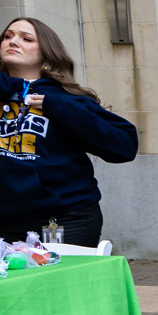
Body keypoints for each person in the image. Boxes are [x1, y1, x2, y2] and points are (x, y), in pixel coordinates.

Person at [0, 17, 138, 247]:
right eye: (7, 36)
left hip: (63, 219)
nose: (13, 41)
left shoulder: (65, 99)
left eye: (26, 38)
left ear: (47, 53)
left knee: (58, 284)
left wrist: (57, 107)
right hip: (5, 221)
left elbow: (124, 145)